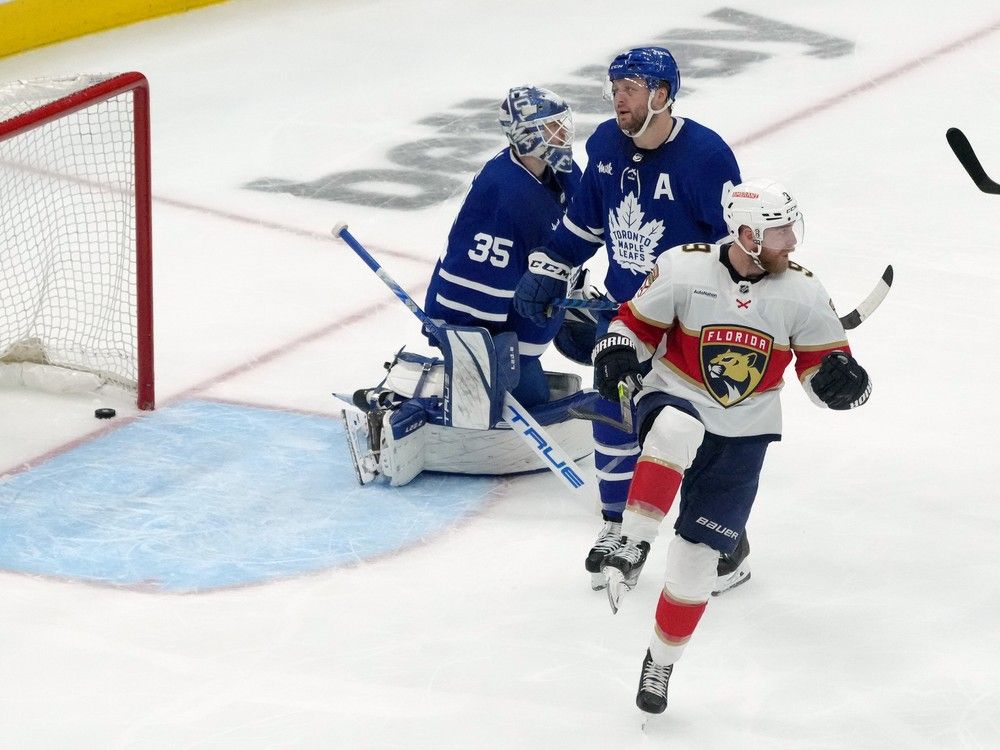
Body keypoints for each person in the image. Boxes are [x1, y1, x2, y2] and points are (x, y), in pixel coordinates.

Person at [591, 179, 873, 714]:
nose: (792, 242)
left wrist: (842, 384)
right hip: (677, 392)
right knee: (676, 429)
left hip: (747, 427)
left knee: (697, 561)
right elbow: (633, 325)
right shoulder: (683, 267)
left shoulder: (804, 291)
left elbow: (820, 372)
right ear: (746, 234)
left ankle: (660, 663)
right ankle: (632, 542)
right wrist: (616, 348)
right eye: (780, 231)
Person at [510, 47, 750, 593]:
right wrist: (551, 268)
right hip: (624, 317)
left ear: (662, 94)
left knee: (693, 435)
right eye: (615, 86)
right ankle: (617, 527)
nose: (619, 98)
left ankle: (725, 545)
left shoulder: (707, 157)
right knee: (613, 415)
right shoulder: (605, 146)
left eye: (632, 87)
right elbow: (587, 221)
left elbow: (729, 249)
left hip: (687, 325)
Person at [423, 84, 582, 408]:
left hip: (532, 304)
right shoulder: (504, 193)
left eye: (562, 122)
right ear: (526, 135)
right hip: (489, 329)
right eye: (552, 125)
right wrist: (473, 348)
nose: (563, 131)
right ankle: (465, 396)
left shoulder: (559, 169)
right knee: (532, 396)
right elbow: (470, 279)